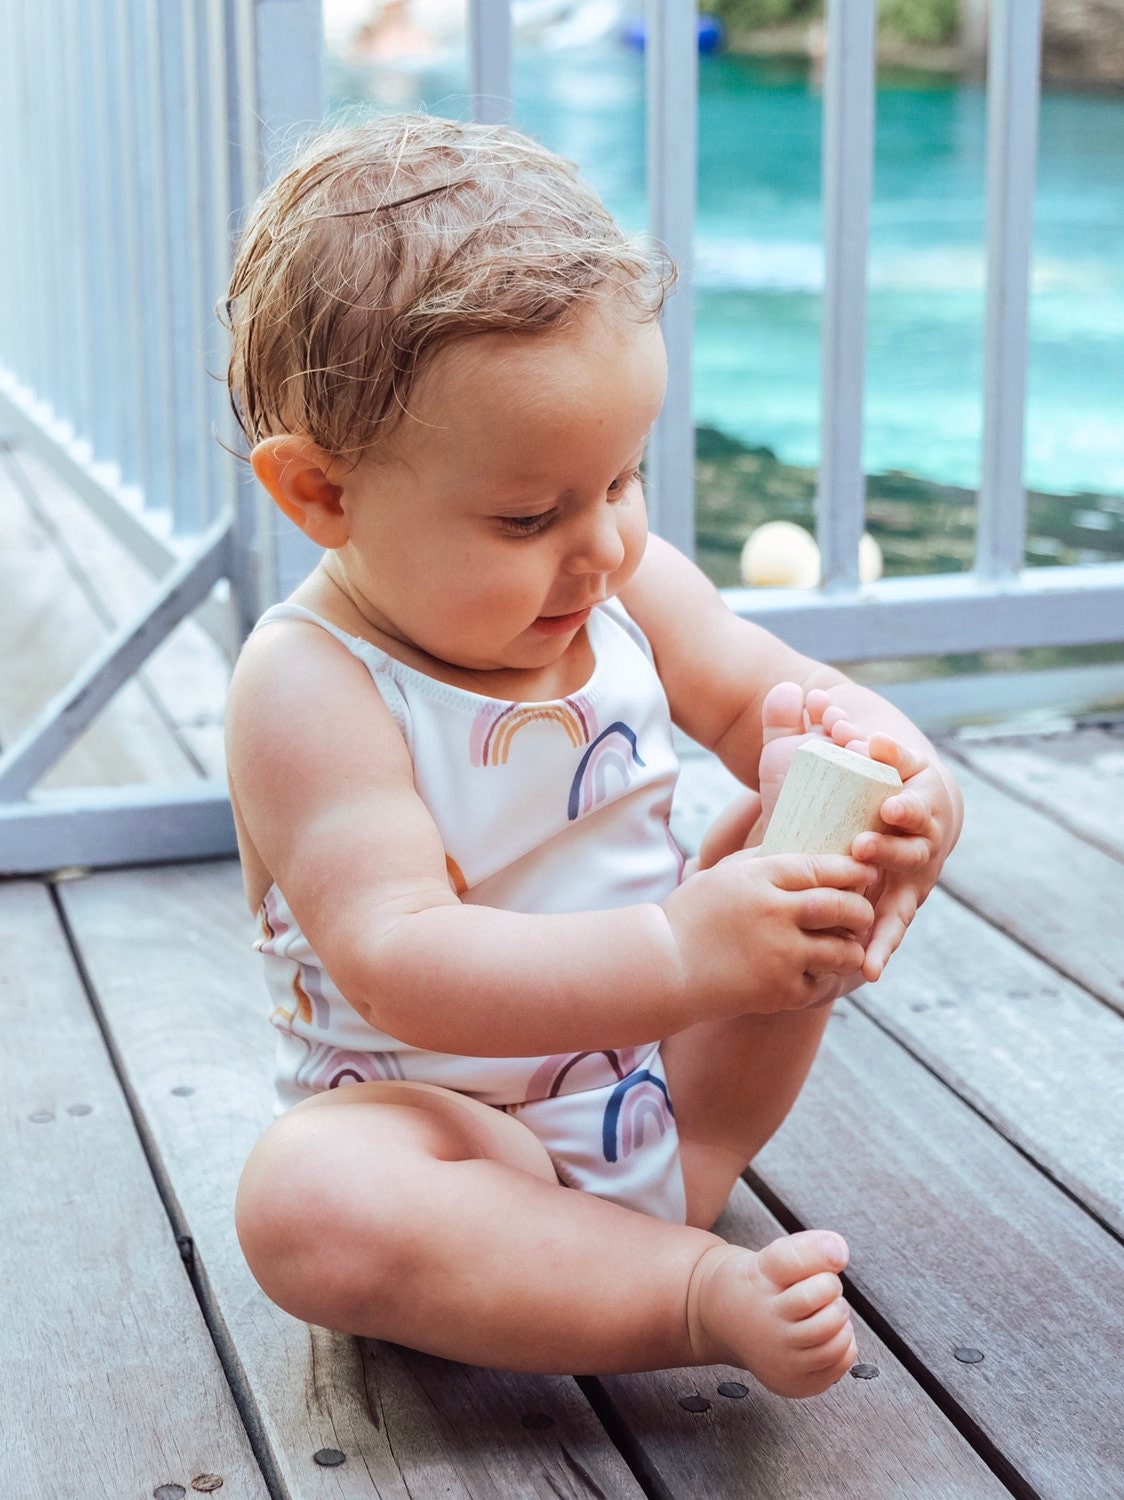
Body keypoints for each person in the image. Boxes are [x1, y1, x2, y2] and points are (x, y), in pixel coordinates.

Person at [222, 114, 962, 1397]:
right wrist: (680, 952)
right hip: (460, 1156)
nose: (600, 546)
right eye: (527, 514)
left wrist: (905, 783)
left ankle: (659, 1224)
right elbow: (400, 959)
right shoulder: (310, 686)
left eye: (620, 480)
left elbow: (787, 695)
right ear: (322, 496)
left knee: (802, 813)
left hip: (677, 1102)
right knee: (306, 1200)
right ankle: (684, 1292)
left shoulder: (623, 584)